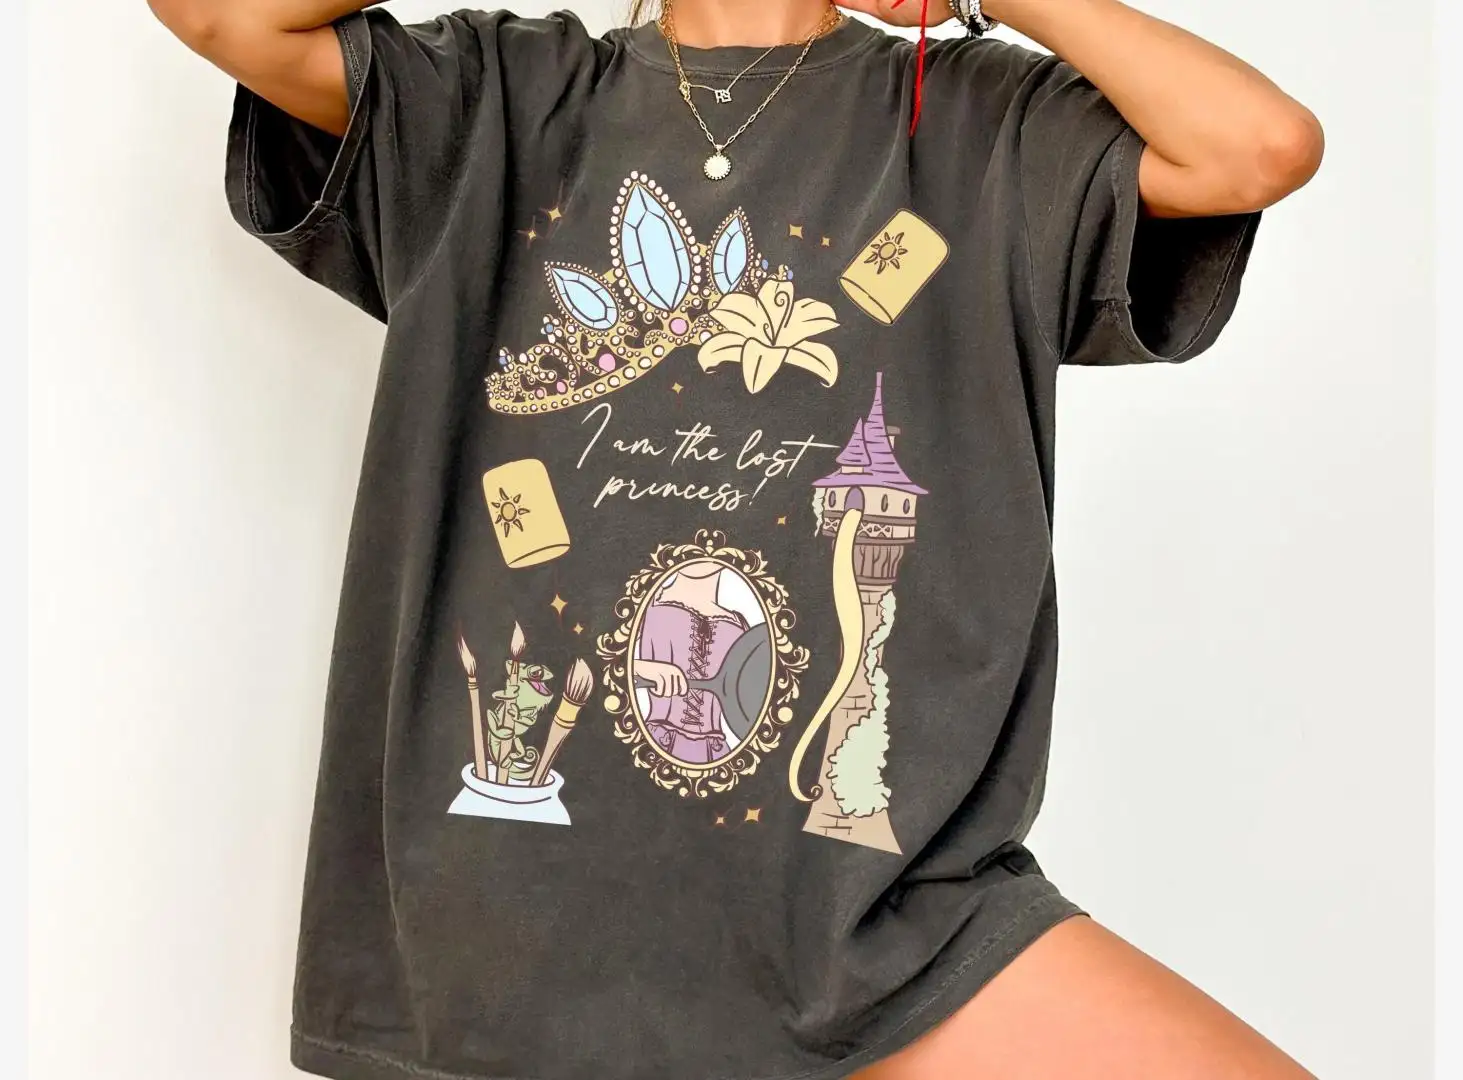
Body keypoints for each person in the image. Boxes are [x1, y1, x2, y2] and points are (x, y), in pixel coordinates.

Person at [146, 0, 1324, 1078]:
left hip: (881, 925)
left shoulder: (980, 124)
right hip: (531, 931)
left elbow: (1255, 147)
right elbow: (219, 15)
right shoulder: (496, 98)